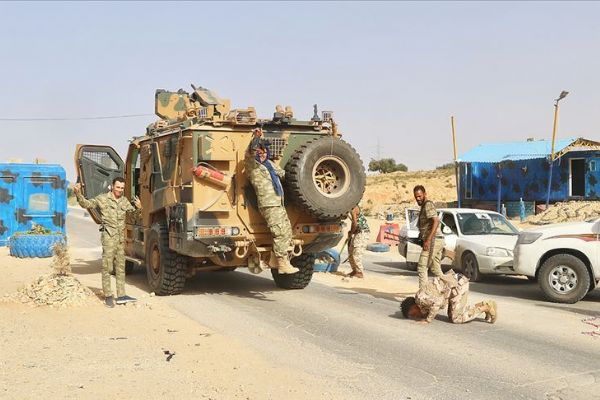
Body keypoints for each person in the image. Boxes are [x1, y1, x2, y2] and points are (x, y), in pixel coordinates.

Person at [73, 177, 141, 308]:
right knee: (107, 267)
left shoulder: (124, 201)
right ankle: (108, 295)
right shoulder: (103, 198)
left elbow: (134, 217)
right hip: (108, 237)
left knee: (120, 267)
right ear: (112, 186)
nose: (120, 190)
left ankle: (121, 295)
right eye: (118, 187)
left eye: (122, 188)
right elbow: (86, 204)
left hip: (120, 239)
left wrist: (139, 208)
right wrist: (78, 193)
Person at [245, 128, 298, 274]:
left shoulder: (269, 164)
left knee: (287, 231)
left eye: (264, 151)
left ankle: (274, 259)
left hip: (278, 202)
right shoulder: (252, 164)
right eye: (259, 151)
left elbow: (284, 175)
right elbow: (250, 151)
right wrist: (256, 138)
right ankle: (282, 263)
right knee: (280, 233)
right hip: (269, 204)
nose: (262, 153)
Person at [400, 270, 498, 324]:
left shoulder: (421, 299)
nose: (415, 317)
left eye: (412, 314)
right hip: (453, 286)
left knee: (456, 318)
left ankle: (486, 307)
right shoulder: (421, 302)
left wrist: (427, 320)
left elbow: (437, 303)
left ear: (412, 307)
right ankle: (483, 304)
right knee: (452, 317)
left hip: (458, 285)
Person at [413, 185, 444, 289]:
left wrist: (428, 240)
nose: (418, 198)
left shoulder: (428, 204)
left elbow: (436, 221)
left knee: (422, 267)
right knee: (436, 269)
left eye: (420, 196)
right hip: (436, 240)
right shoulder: (423, 206)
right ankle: (451, 287)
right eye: (416, 197)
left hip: (434, 240)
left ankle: (423, 293)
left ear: (425, 194)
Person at [346, 204, 370, 278]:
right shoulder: (350, 207)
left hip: (362, 233)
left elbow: (355, 223)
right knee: (350, 252)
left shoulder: (353, 208)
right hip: (357, 232)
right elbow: (353, 222)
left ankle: (359, 272)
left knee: (356, 253)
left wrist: (351, 233)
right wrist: (351, 232)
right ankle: (355, 270)